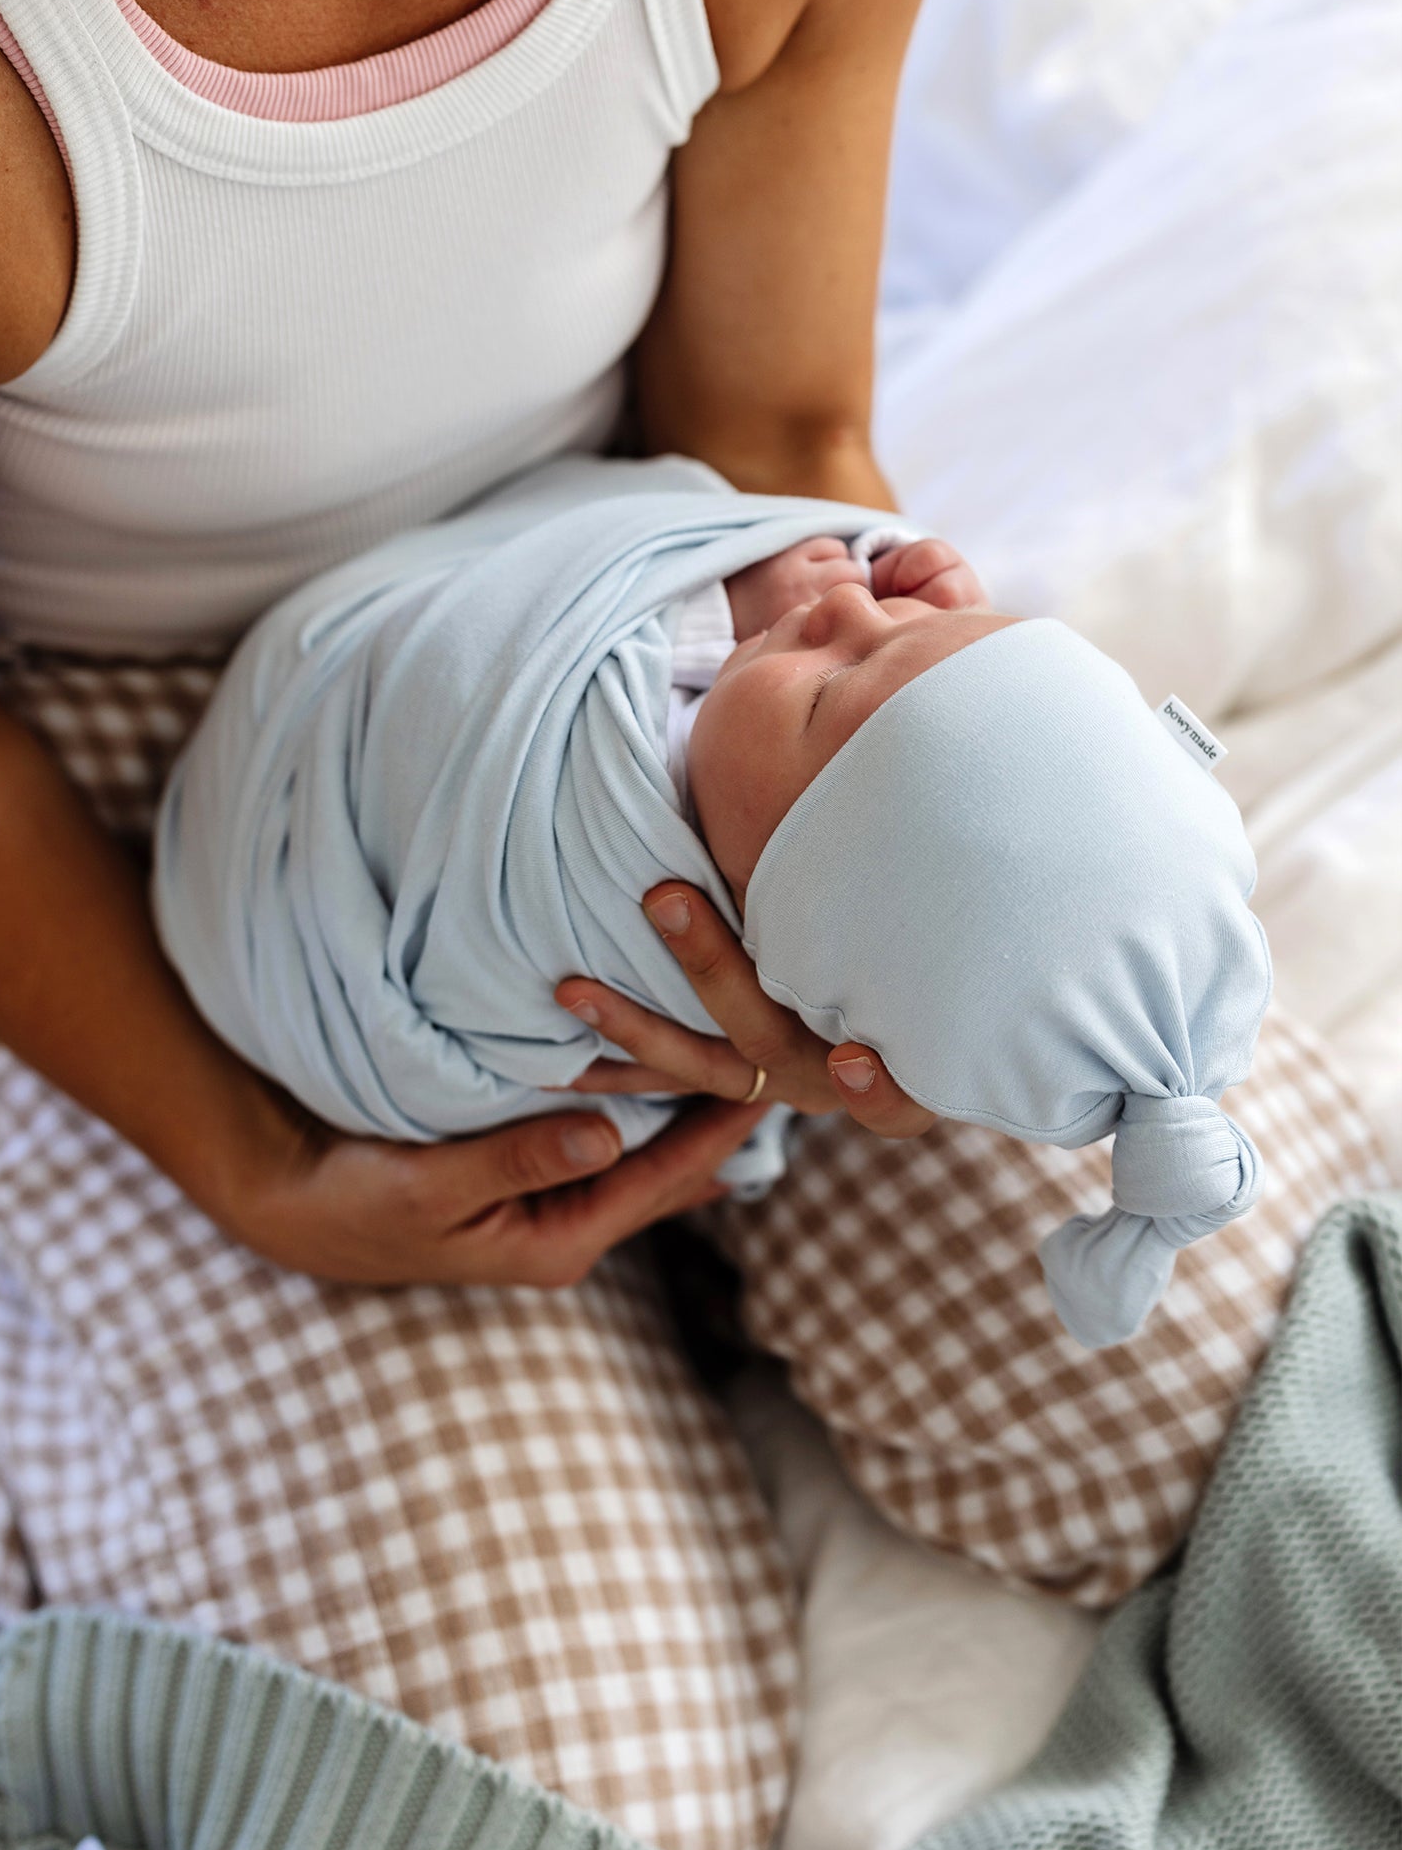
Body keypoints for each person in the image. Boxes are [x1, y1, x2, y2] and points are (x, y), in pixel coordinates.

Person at [0, 0, 1379, 1850]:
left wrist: (877, 873)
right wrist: (252, 1159)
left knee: (1246, 1398)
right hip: (126, 790)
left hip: (652, 589)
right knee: (540, 1816)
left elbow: (778, 430)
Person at [155, 452, 1270, 1356]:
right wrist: (837, 584)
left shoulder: (591, 853)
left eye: (829, 689)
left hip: (306, 909)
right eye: (913, 629)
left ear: (777, 920)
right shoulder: (800, 801)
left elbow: (496, 739)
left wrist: (717, 617)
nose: (842, 600)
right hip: (291, 740)